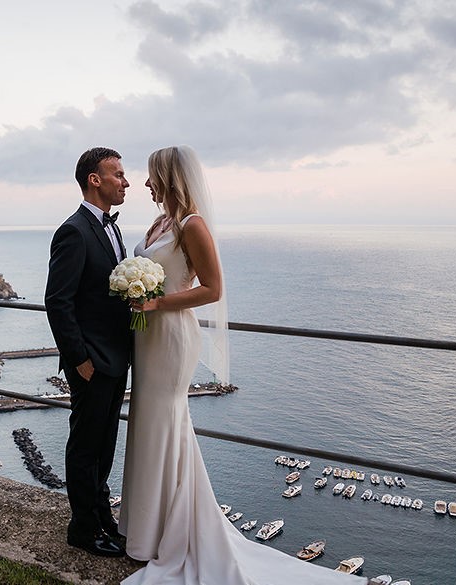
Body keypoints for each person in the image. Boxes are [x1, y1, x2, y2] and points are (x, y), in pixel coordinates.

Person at [119, 146, 366, 584]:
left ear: (170, 176)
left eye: (152, 175)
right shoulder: (161, 222)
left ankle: (166, 533)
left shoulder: (193, 225)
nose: (145, 184)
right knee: (146, 422)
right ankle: (147, 530)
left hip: (172, 335)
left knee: (165, 422)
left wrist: (157, 300)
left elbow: (212, 289)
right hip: (147, 336)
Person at [45, 146, 133, 558]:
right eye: (117, 174)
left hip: (117, 358)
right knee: (85, 447)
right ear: (94, 180)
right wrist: (80, 360)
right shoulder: (74, 231)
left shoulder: (112, 229)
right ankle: (81, 528)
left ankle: (102, 517)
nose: (125, 181)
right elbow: (57, 301)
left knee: (105, 444)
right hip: (91, 363)